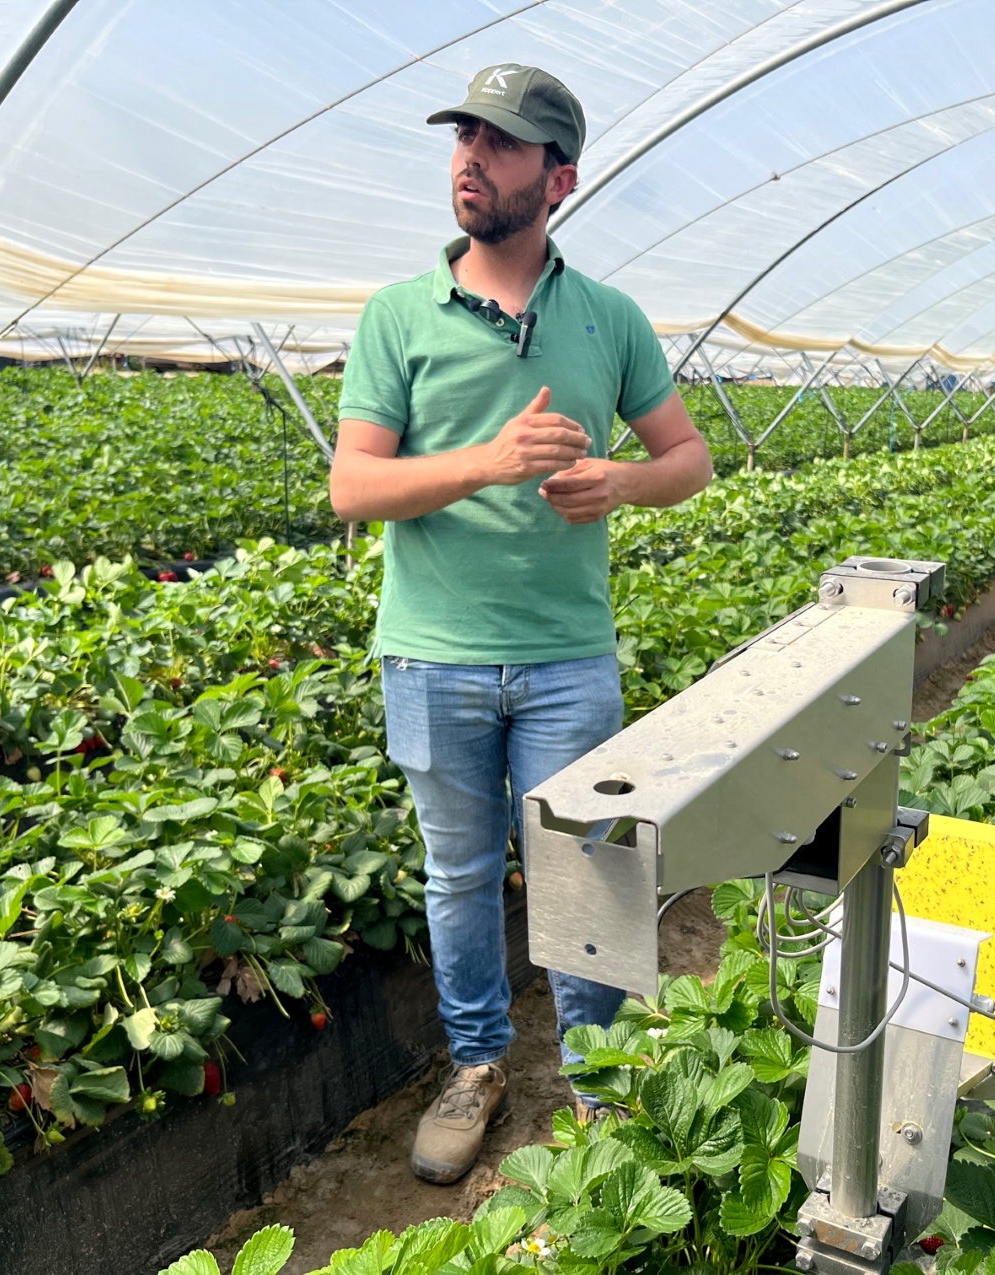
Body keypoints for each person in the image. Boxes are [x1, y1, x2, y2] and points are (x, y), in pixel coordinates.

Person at [328, 63, 713, 1184]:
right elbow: (353, 490)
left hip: (564, 658)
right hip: (433, 655)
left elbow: (686, 456)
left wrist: (618, 484)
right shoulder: (400, 315)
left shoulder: (609, 319)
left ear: (558, 177)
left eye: (498, 145)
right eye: (462, 140)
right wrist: (486, 462)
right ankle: (478, 1064)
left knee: (583, 871)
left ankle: (600, 1083)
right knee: (456, 877)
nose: (468, 161)